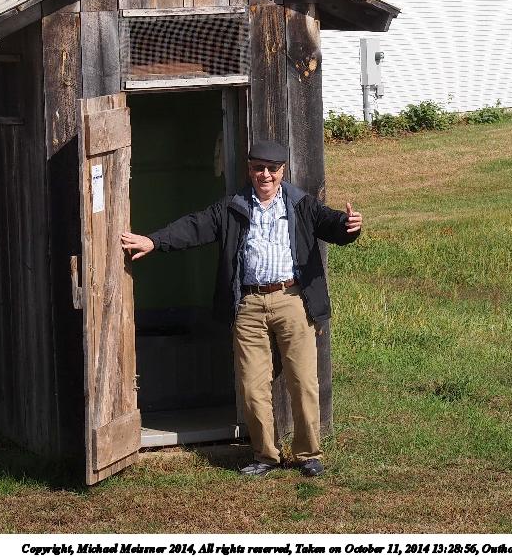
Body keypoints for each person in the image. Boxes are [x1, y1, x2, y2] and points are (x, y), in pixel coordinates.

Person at [120, 139, 362, 477]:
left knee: (303, 382)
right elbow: (195, 226)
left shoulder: (301, 204)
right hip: (248, 305)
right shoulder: (232, 207)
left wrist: (349, 226)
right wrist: (154, 241)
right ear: (249, 170)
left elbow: (332, 225)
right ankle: (266, 456)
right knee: (252, 386)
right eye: (258, 168)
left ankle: (308, 454)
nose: (265, 175)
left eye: (272, 169)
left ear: (282, 171)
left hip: (292, 300)